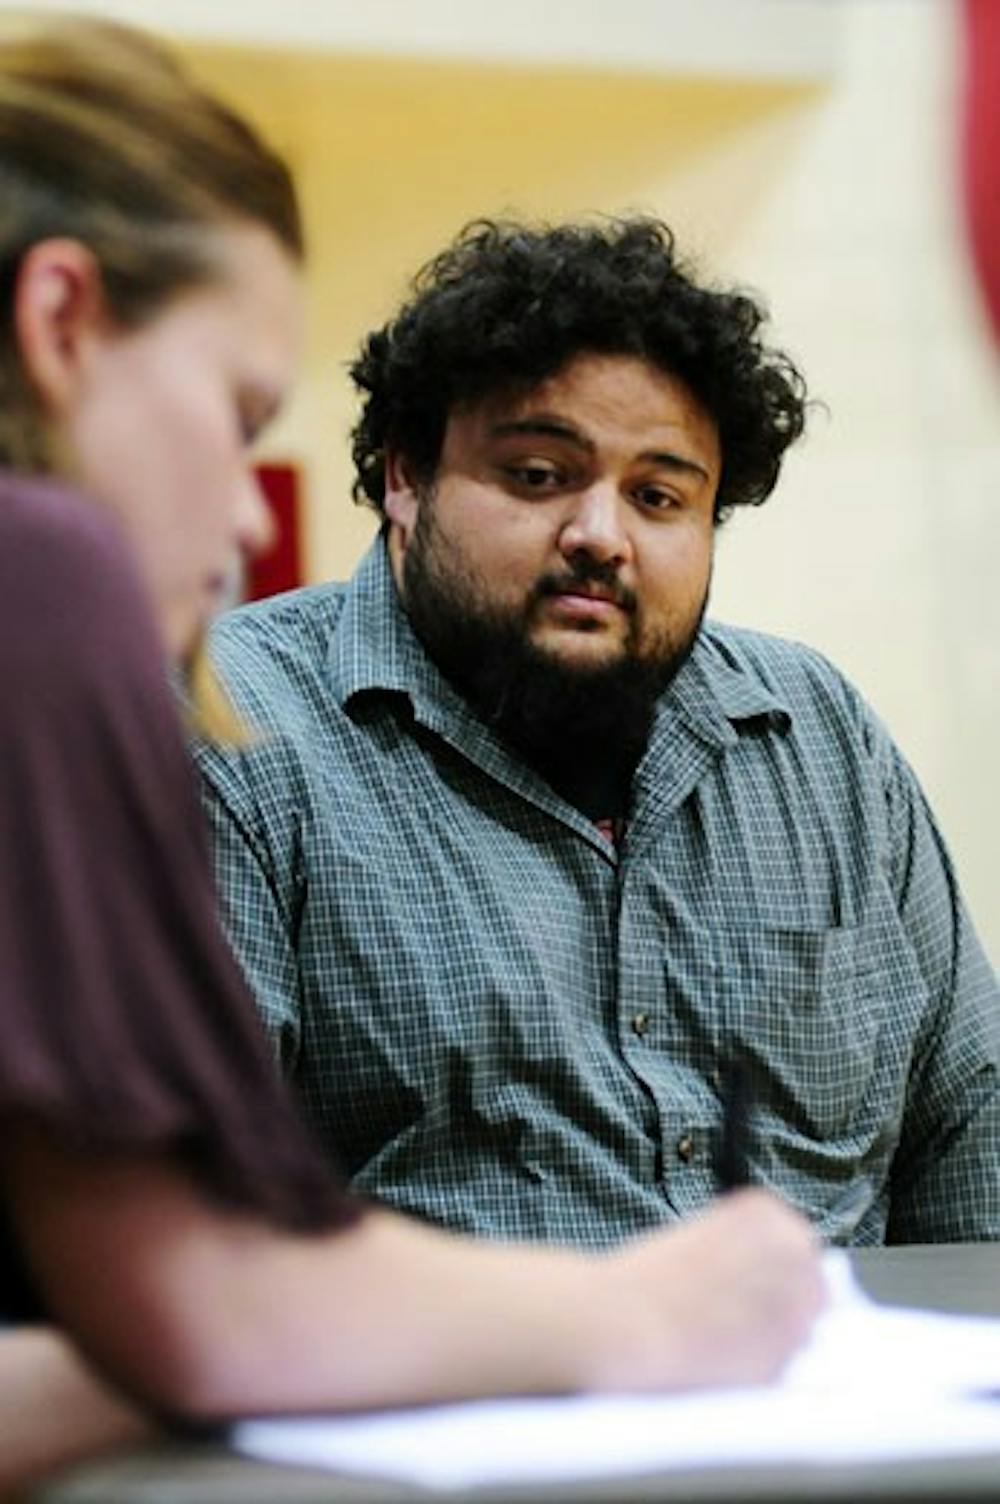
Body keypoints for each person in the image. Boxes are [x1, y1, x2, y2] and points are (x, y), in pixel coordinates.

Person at [0, 16, 824, 1499]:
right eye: (238, 414)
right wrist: (639, 1313)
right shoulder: (46, 571)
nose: (253, 520)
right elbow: (209, 1290)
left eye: (661, 492)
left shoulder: (816, 726)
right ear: (61, 320)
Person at [198, 217, 1000, 1253]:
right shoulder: (232, 726)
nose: (599, 535)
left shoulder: (820, 738)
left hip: (847, 1397)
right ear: (405, 477)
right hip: (455, 1400)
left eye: (658, 496)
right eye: (536, 475)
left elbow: (971, 1147)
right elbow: (191, 1239)